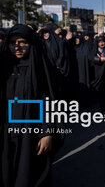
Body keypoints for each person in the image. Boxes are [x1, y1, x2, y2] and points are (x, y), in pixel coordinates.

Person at [0, 24, 63, 187]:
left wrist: (47, 132)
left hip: (31, 133)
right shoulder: (4, 67)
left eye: (22, 42)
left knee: (30, 174)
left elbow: (51, 102)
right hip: (6, 134)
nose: (17, 46)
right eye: (13, 42)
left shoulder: (42, 68)